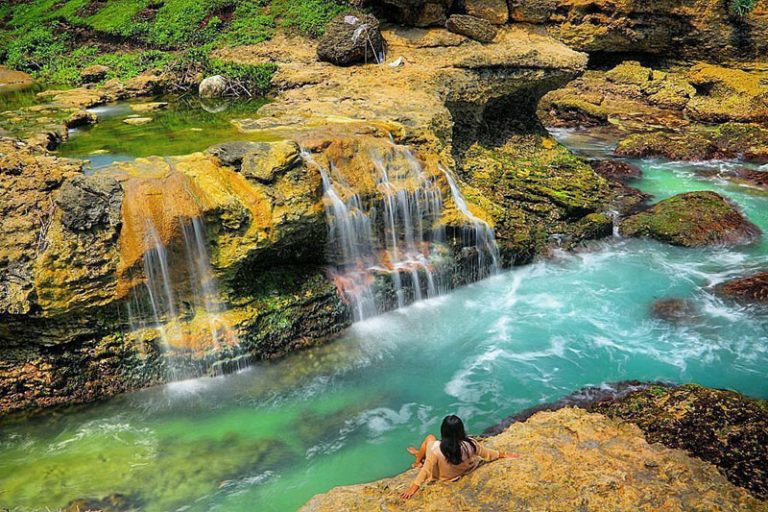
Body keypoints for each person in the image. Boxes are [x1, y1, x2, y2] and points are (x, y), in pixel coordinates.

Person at [400, 414, 519, 500]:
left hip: (444, 476)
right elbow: (487, 453)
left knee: (430, 438)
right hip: (463, 469)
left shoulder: (437, 450)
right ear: (461, 430)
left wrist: (413, 488)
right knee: (430, 446)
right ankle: (419, 454)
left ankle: (417, 461)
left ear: (443, 431)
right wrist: (504, 454)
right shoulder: (470, 443)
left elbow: (426, 470)